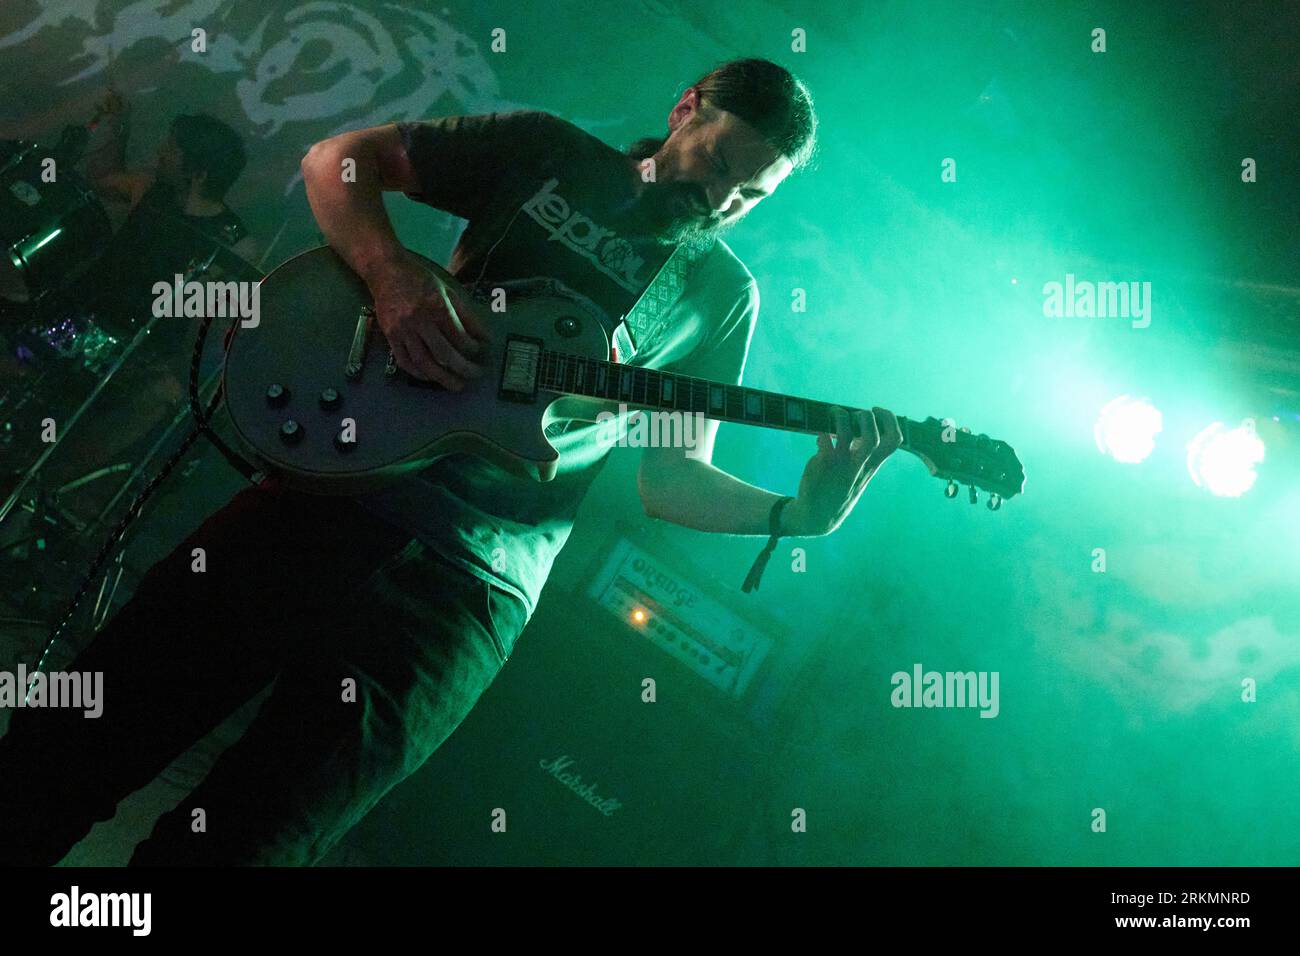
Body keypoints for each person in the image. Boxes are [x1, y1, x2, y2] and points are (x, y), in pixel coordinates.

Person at [0, 57, 902, 866]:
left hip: (472, 586)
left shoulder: (720, 295)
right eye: (720, 166)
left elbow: (671, 478)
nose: (721, 201)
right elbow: (337, 161)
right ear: (685, 109)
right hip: (341, 486)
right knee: (71, 746)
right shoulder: (550, 151)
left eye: (751, 196)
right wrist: (391, 276)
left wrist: (797, 515)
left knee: (253, 844)